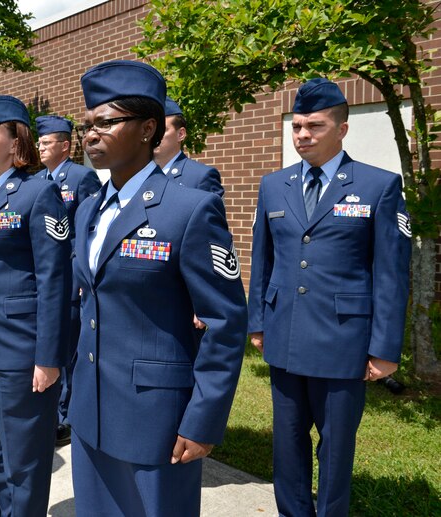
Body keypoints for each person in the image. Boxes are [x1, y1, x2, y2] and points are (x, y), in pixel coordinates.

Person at [69, 60, 248, 517]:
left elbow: (225, 322)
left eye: (105, 122)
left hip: (157, 418)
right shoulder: (90, 209)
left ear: (149, 128)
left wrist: (203, 419)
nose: (91, 134)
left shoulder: (189, 209)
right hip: (92, 408)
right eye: (87, 124)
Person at [248, 78, 412, 517]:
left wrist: (385, 348)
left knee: (336, 451)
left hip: (343, 341)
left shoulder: (378, 186)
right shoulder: (273, 186)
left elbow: (392, 275)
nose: (302, 135)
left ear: (342, 129)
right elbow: (263, 260)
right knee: (287, 446)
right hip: (284, 337)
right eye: (297, 126)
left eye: (314, 126)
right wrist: (258, 322)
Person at [0, 95, 72, 517]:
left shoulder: (38, 192)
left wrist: (48, 356)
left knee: (24, 457)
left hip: (20, 347)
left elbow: (53, 279)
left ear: (15, 142)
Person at [35, 114, 102, 447]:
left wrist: (80, 275)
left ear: (64, 145)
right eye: (39, 142)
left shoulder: (82, 177)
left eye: (46, 142)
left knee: (71, 350)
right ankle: (54, 409)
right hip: (48, 279)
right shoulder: (37, 180)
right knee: (54, 344)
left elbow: (88, 231)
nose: (40, 147)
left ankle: (66, 416)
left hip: (72, 278)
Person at [154, 98, 224, 197]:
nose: (153, 135)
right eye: (150, 129)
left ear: (181, 134)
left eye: (162, 130)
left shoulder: (201, 177)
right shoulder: (138, 174)